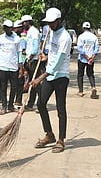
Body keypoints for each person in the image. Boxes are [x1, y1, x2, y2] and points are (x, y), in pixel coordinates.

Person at [31, 8, 72, 153]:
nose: (50, 25)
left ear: (59, 21)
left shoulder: (65, 37)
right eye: (48, 22)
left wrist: (40, 78)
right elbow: (53, 54)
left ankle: (61, 140)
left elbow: (60, 61)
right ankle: (49, 134)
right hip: (50, 74)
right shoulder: (51, 33)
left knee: (61, 108)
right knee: (40, 103)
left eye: (52, 22)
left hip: (61, 76)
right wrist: (45, 57)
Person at [0, 20, 23, 115]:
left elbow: (19, 53)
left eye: (9, 27)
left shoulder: (17, 39)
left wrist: (21, 67)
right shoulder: (0, 38)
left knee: (14, 87)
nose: (7, 29)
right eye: (5, 27)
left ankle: (11, 105)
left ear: (12, 28)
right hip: (3, 66)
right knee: (3, 87)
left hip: (13, 66)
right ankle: (4, 106)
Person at [22, 14, 41, 111]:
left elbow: (35, 46)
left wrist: (30, 58)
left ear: (28, 22)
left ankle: (40, 103)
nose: (23, 24)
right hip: (29, 59)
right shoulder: (29, 32)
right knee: (31, 83)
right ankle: (30, 103)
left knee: (36, 83)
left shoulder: (34, 31)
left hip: (33, 60)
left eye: (24, 23)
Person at [76, 21, 100, 99]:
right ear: (89, 28)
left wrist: (86, 57)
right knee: (90, 74)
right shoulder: (94, 37)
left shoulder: (81, 36)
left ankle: (81, 91)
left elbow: (80, 48)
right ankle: (93, 87)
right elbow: (96, 49)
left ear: (83, 28)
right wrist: (92, 57)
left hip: (82, 58)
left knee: (80, 74)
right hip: (91, 59)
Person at [13, 20, 25, 107]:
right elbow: (20, 53)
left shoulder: (18, 38)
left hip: (14, 63)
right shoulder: (17, 39)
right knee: (19, 83)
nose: (22, 29)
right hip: (15, 64)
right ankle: (17, 100)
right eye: (20, 28)